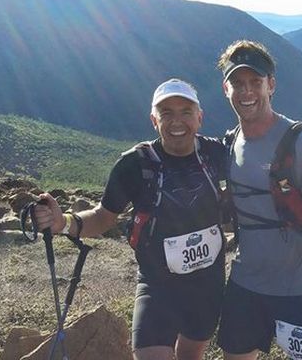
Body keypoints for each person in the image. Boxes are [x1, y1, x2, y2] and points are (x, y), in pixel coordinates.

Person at [33, 78, 227, 360]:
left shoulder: (216, 154)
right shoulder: (135, 164)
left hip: (208, 283)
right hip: (158, 285)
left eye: (186, 112)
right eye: (166, 113)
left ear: (200, 117)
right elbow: (102, 217)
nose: (177, 121)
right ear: (154, 120)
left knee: (191, 354)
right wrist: (63, 222)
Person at [215, 40, 302, 360]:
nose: (246, 91)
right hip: (245, 285)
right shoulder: (230, 142)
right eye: (237, 83)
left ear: (271, 85)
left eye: (255, 82)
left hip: (301, 290)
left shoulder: (301, 144)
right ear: (226, 89)